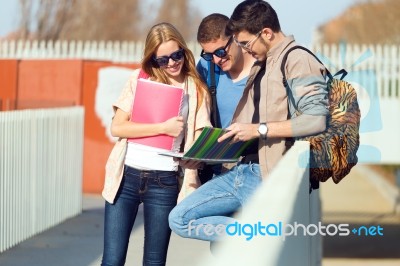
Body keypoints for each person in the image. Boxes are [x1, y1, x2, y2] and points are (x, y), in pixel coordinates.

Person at [169, 0, 329, 242]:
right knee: (180, 218)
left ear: (266, 32)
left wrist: (258, 130)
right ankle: (254, 233)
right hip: (237, 170)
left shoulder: (297, 59)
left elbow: (316, 120)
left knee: (261, 249)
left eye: (245, 43)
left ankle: (260, 234)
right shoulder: (266, 63)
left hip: (268, 175)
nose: (245, 49)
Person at [101, 22, 210, 265]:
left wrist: (197, 155)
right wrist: (163, 128)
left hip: (164, 181)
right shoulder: (140, 78)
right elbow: (117, 127)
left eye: (176, 55)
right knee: (112, 260)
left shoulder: (196, 88)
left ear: (184, 51)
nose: (172, 63)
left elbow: (203, 133)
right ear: (153, 58)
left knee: (154, 262)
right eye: (163, 59)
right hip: (126, 177)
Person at [195, 13, 256, 184]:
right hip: (216, 171)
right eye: (208, 55)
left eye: (221, 51)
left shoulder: (262, 69)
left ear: (235, 37)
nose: (216, 60)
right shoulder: (206, 68)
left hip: (252, 169)